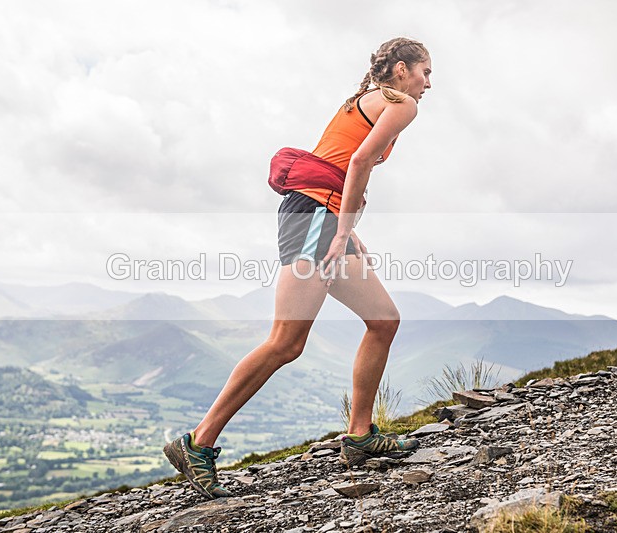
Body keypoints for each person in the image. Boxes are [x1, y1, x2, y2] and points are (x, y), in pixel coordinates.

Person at [164, 37, 432, 499]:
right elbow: (359, 162)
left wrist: (347, 231)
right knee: (286, 341)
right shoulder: (401, 105)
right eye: (426, 72)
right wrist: (342, 231)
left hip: (320, 216)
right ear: (403, 69)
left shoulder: (364, 99)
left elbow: (338, 165)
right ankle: (197, 443)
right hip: (316, 219)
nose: (429, 84)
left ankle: (360, 435)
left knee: (384, 320)